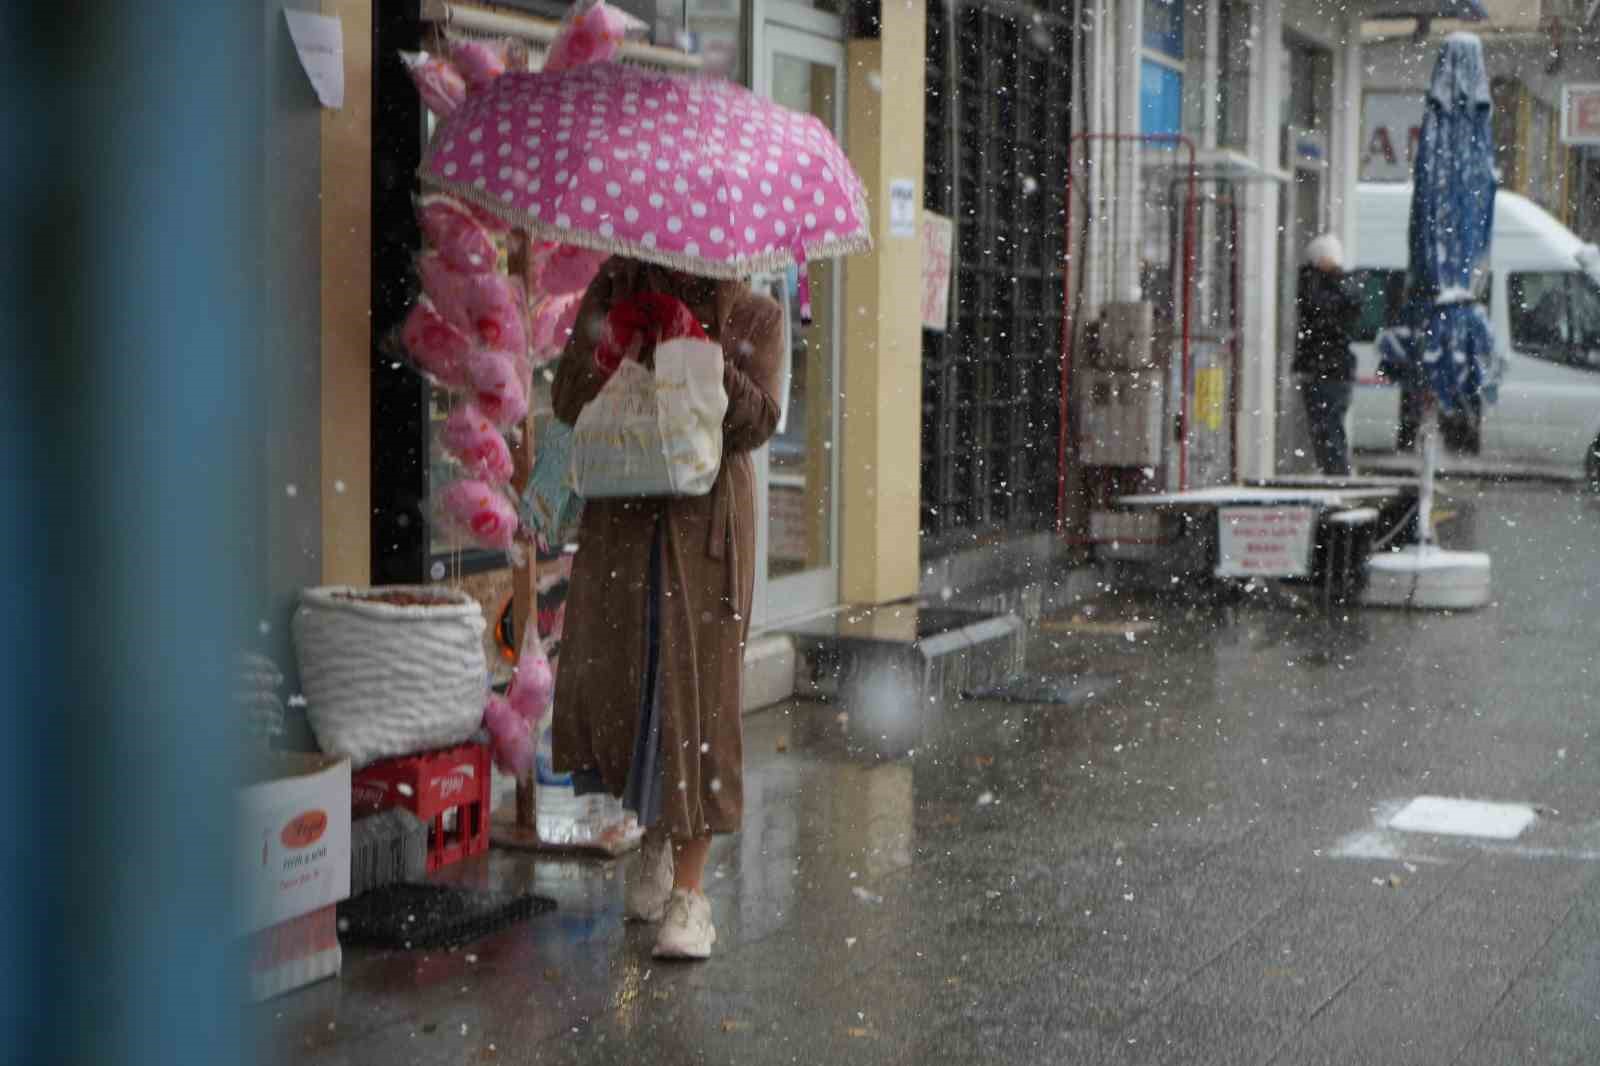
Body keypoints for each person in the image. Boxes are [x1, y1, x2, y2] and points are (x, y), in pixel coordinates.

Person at [550, 257, 783, 961]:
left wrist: (701, 355)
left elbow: (760, 421)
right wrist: (613, 346)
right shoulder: (615, 288)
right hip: (622, 520)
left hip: (705, 532)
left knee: (700, 702)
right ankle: (652, 832)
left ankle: (691, 893)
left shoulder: (755, 315)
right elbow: (566, 400)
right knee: (629, 690)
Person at [1293, 233, 1361, 476]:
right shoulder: (1344, 288)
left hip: (1328, 371)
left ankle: (1337, 476)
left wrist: (1312, 277)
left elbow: (1316, 310)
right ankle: (1334, 475)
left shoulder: (1335, 290)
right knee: (1326, 429)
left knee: (1328, 429)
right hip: (1329, 370)